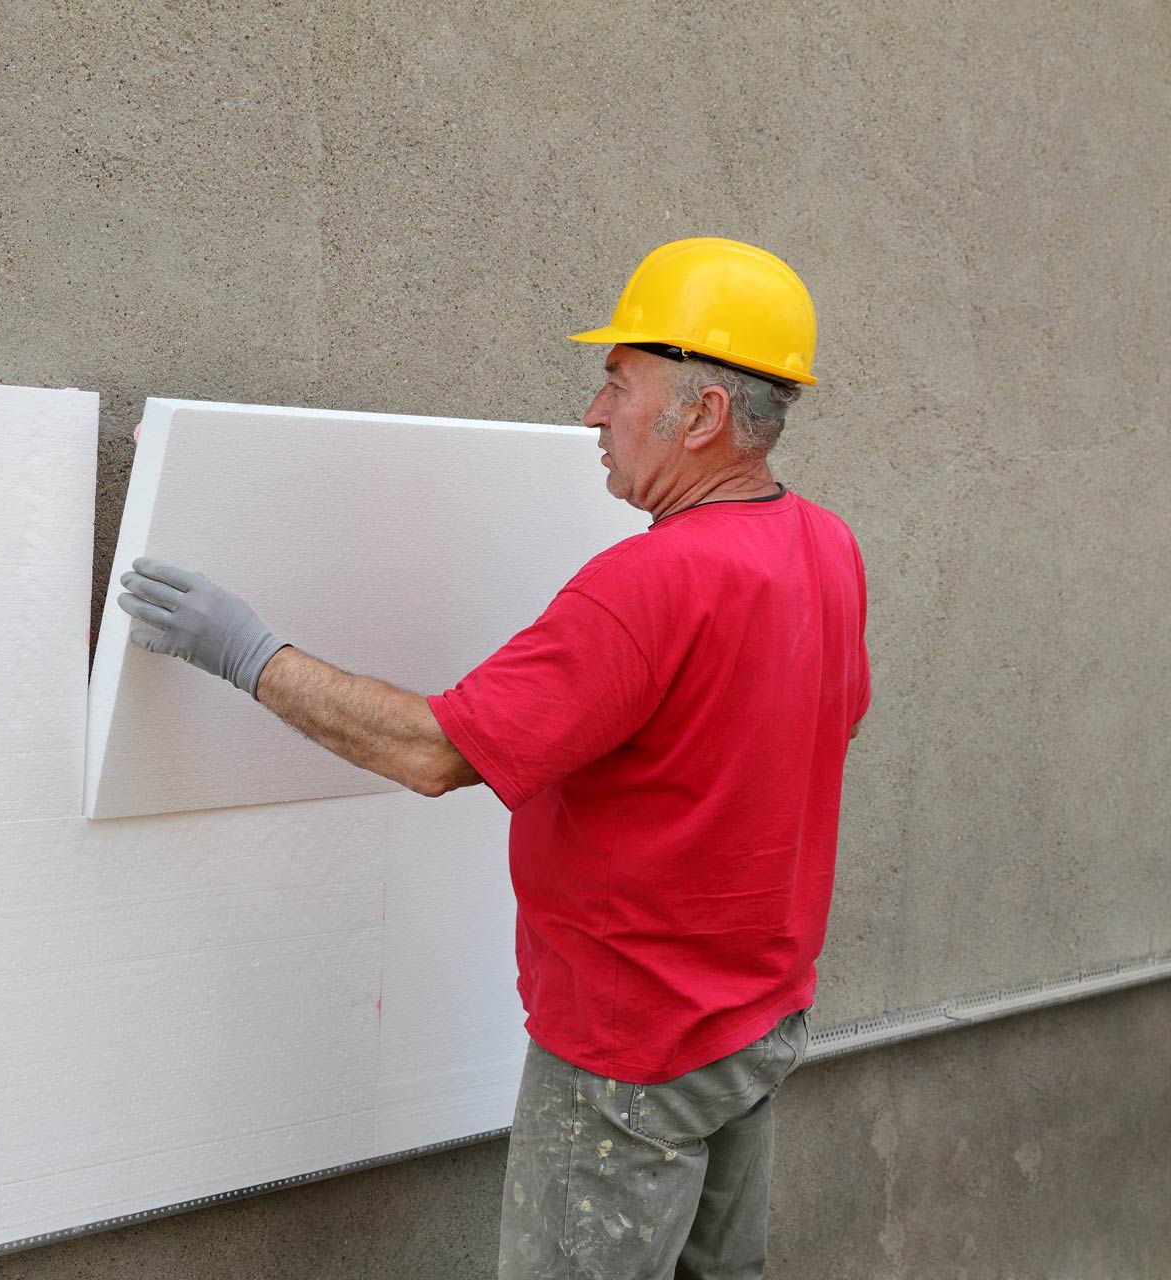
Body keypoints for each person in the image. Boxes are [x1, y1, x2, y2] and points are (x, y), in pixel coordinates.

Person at [115, 237, 871, 1280]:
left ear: (700, 416)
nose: (593, 414)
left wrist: (251, 654)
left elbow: (435, 751)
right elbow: (801, 733)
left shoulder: (651, 584)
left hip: (631, 1058)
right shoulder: (826, 546)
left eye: (617, 383)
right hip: (753, 1022)